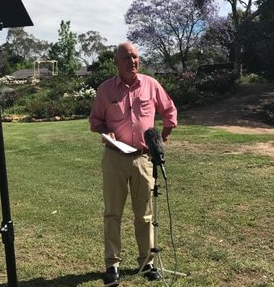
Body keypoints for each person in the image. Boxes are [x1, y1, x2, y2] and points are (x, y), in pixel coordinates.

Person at [89, 42, 177, 286]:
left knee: (145, 215)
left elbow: (169, 111)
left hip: (142, 158)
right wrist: (107, 130)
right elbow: (95, 121)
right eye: (126, 57)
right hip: (114, 158)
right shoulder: (105, 90)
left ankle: (146, 262)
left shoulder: (150, 85)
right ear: (116, 62)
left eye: (135, 57)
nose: (132, 62)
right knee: (112, 213)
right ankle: (112, 265)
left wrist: (163, 139)